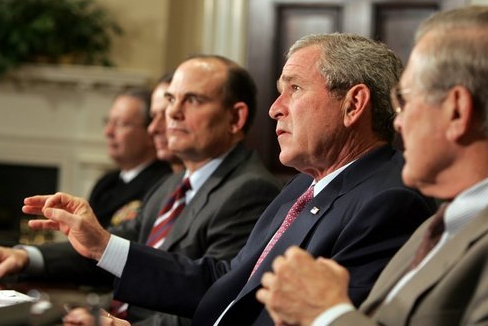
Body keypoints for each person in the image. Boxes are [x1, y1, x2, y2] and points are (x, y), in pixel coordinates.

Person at [23, 34, 436, 326]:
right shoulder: (302, 186)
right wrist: (101, 246)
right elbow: (227, 283)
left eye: (294, 88)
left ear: (354, 104)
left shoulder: (389, 201)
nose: (275, 109)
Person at [256, 6, 488, 326]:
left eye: (405, 100)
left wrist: (328, 315)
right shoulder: (436, 228)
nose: (398, 122)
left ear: (457, 111)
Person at [0, 55, 281, 325]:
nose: (173, 112)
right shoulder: (173, 183)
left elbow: (215, 299)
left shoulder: (251, 191)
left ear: (236, 118)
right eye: (171, 99)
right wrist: (25, 257)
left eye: (193, 100)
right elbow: (112, 249)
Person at [91, 88, 172, 227]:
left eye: (121, 124)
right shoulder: (106, 183)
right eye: (108, 122)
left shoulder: (163, 183)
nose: (108, 132)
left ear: (149, 133)